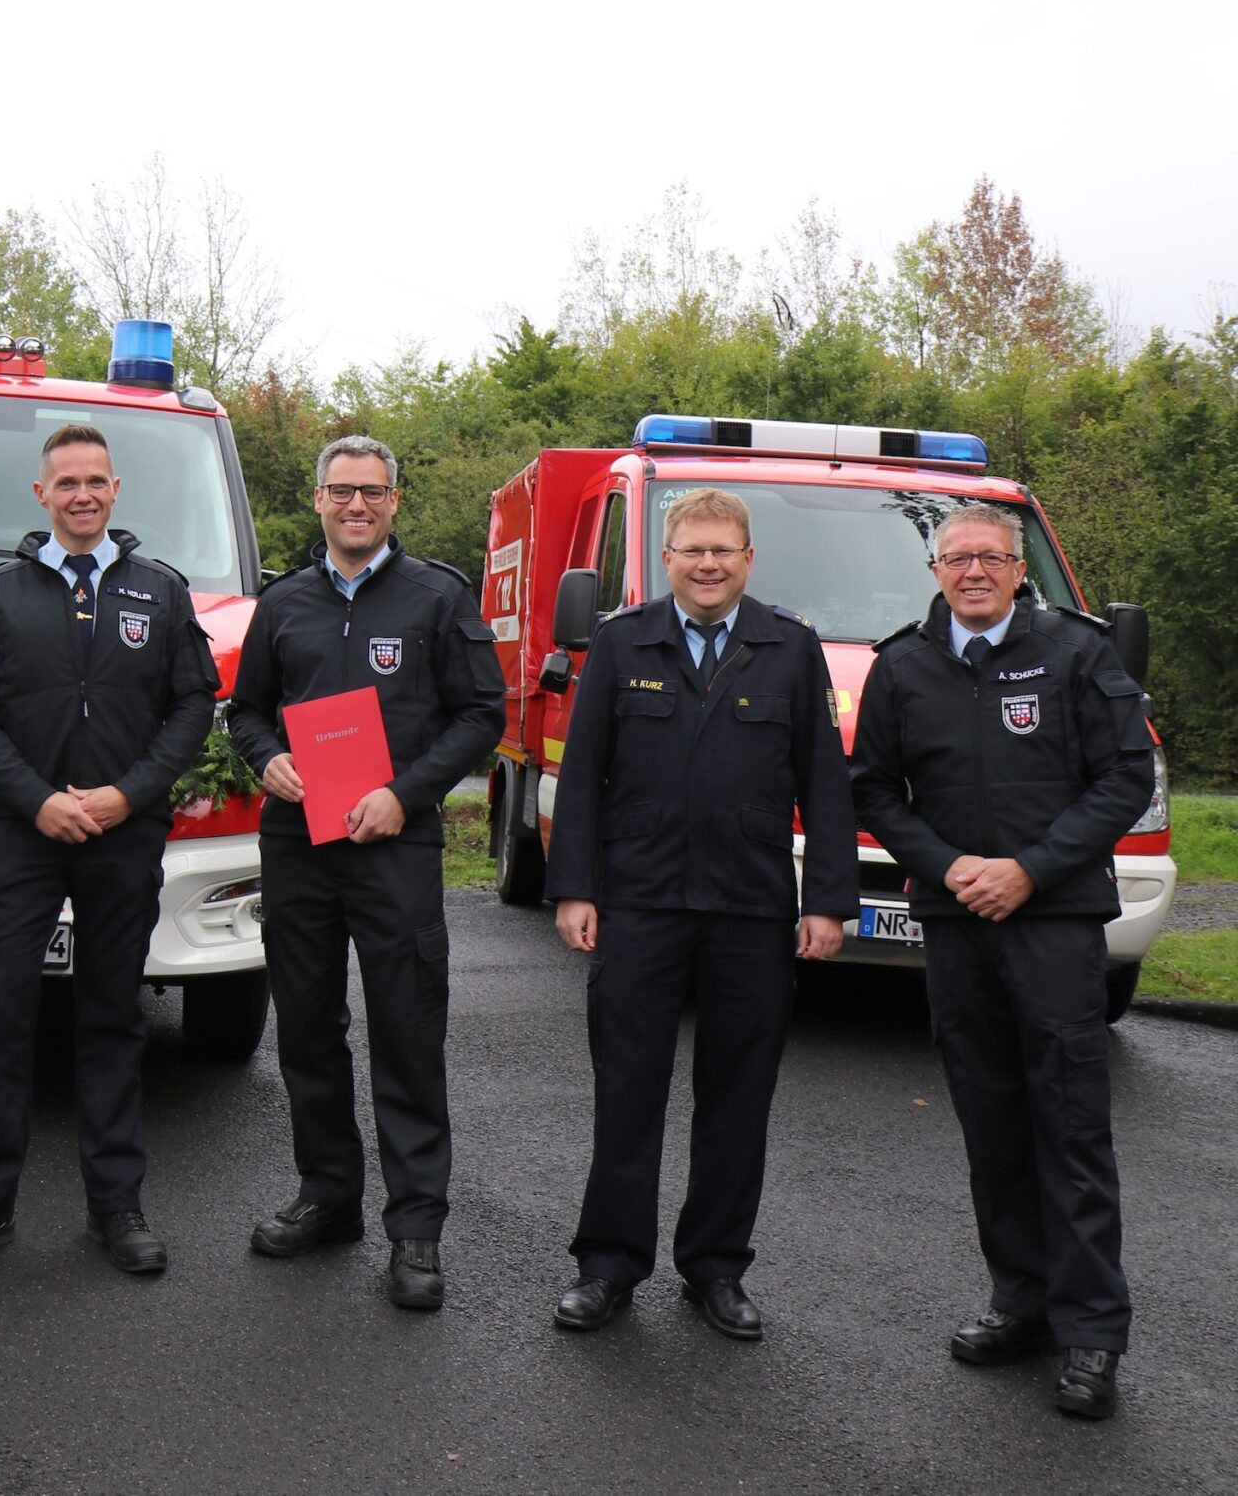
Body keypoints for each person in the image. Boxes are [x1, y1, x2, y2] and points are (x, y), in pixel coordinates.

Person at [850, 504, 1155, 1421]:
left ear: (1020, 569)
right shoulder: (902, 663)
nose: (973, 570)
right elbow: (872, 787)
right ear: (935, 569)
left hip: (1053, 920)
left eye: (991, 557)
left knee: (1068, 1123)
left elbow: (1124, 778)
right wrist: (946, 866)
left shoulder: (1075, 651)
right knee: (990, 1120)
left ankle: (1093, 1330)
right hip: (955, 921)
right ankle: (1021, 1303)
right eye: (957, 557)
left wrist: (1031, 867)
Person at [542, 487, 853, 1340]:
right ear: (667, 557)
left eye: (724, 550)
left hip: (751, 911)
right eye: (692, 549)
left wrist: (827, 899)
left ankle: (716, 1268)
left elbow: (825, 783)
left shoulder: (789, 648)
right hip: (640, 902)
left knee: (738, 1096)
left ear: (749, 560)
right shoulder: (620, 641)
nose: (708, 563)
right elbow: (583, 776)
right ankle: (607, 1265)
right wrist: (576, 886)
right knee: (628, 1090)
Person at [0, 424, 219, 1274]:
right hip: (22, 835)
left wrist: (129, 793)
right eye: (66, 482)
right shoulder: (1, 593)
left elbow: (194, 704)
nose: (82, 494)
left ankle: (116, 1208)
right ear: (40, 495)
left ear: (116, 490)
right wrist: (37, 799)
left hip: (125, 834)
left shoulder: (160, 592)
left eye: (95, 480)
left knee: (113, 1017)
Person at [227, 435, 504, 1310]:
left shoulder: (438, 595)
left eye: (372, 491)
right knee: (307, 1030)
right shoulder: (284, 604)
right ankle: (328, 1197)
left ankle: (415, 1229)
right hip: (299, 848)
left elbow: (481, 713)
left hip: (395, 847)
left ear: (395, 499)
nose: (357, 505)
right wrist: (266, 758)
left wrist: (407, 794)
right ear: (316, 499)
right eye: (341, 490)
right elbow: (246, 711)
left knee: (407, 1035)